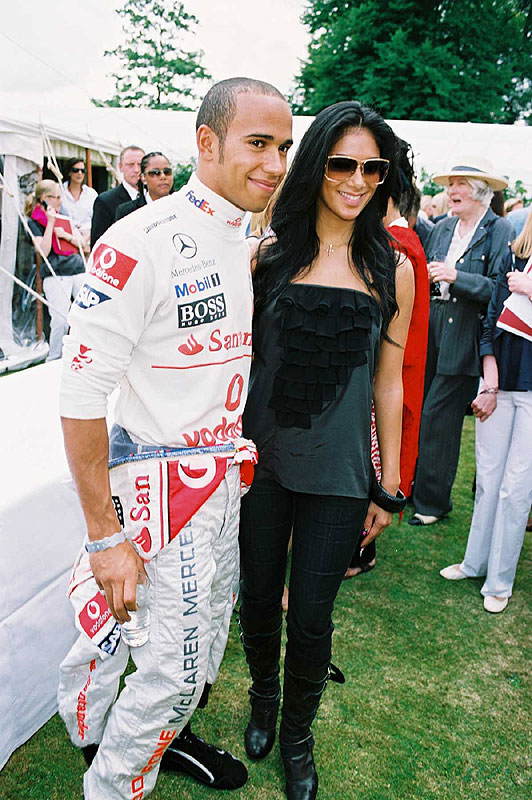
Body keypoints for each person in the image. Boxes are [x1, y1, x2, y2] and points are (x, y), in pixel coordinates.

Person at [57, 77, 293, 800]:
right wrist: (104, 536)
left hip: (223, 475)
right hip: (160, 485)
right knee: (176, 662)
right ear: (206, 143)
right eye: (259, 144)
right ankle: (114, 781)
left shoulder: (245, 234)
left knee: (186, 637)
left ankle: (91, 721)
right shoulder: (141, 240)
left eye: (284, 147)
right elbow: (80, 394)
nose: (276, 163)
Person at [238, 101, 414, 800]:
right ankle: (261, 698)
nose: (358, 179)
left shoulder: (392, 267)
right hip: (262, 468)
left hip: (340, 476)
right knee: (257, 598)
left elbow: (390, 384)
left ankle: (298, 738)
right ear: (317, 164)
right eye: (344, 162)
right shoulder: (266, 256)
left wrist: (390, 484)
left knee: (312, 616)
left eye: (375, 167)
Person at [409, 156, 513, 526]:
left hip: (466, 334)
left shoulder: (499, 231)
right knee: (419, 411)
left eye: (461, 184)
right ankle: (412, 489)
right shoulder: (441, 227)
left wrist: (457, 277)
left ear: (482, 193)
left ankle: (432, 504)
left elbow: (500, 290)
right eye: (451, 184)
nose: (451, 191)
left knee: (441, 419)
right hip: (432, 327)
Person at [440, 207, 532, 612]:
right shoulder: (516, 256)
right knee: (489, 480)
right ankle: (475, 562)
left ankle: (500, 581)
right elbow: (491, 321)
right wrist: (490, 382)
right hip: (498, 384)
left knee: (516, 489)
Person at [347, 138, 429, 577]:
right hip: (396, 365)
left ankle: (358, 550)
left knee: (373, 461)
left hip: (393, 367)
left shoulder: (398, 250)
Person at [25, 180, 85, 360]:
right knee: (60, 319)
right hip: (55, 272)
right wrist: (50, 224)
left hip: (77, 268)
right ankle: (55, 357)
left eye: (60, 197)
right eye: (55, 198)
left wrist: (66, 235)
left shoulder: (64, 216)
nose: (59, 202)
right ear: (44, 199)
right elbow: (43, 251)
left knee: (88, 314)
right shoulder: (34, 222)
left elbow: (84, 245)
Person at [90, 145, 144, 247]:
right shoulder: (105, 201)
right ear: (120, 167)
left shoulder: (153, 197)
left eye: (140, 164)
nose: (136, 169)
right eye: (130, 164)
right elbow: (98, 244)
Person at [115, 151, 173, 220]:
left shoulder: (182, 206)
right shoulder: (128, 212)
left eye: (167, 172)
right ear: (143, 178)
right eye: (155, 172)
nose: (163, 176)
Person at [61, 157, 98, 246]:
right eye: (75, 170)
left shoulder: (91, 194)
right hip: (66, 236)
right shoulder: (60, 191)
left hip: (88, 237)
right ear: (69, 172)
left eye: (82, 170)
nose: (79, 173)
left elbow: (96, 219)